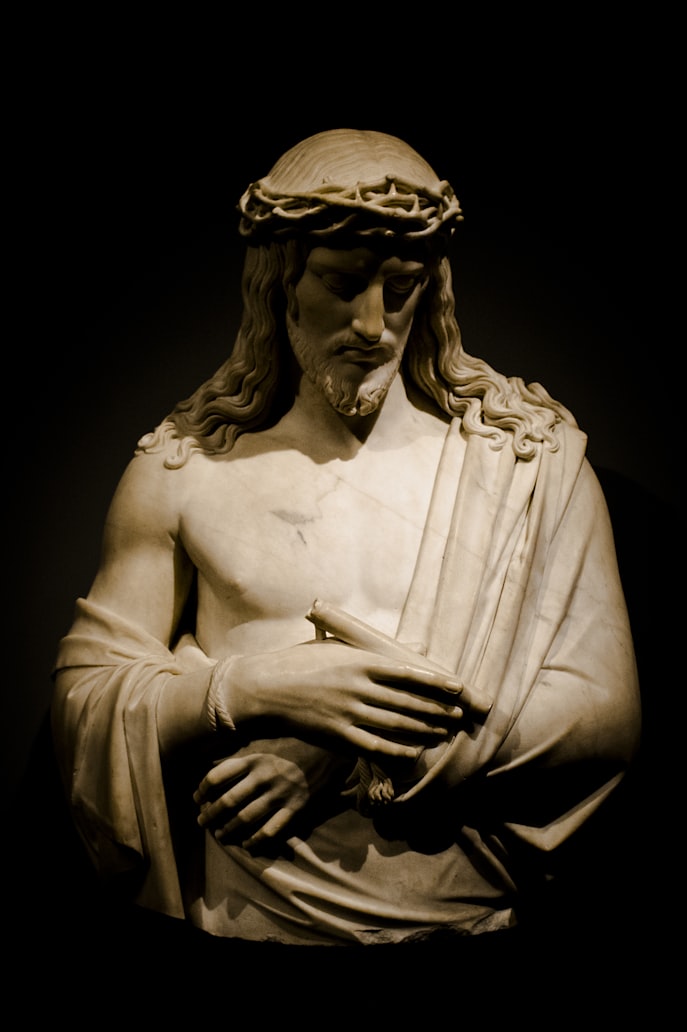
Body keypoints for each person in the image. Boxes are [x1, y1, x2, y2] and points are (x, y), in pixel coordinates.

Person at [51, 128, 641, 949]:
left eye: (400, 288)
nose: (372, 323)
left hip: (464, 920)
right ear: (278, 285)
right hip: (252, 923)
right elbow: (87, 701)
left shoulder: (526, 462)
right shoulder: (182, 472)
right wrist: (250, 692)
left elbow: (599, 712)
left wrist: (343, 751)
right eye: (340, 283)